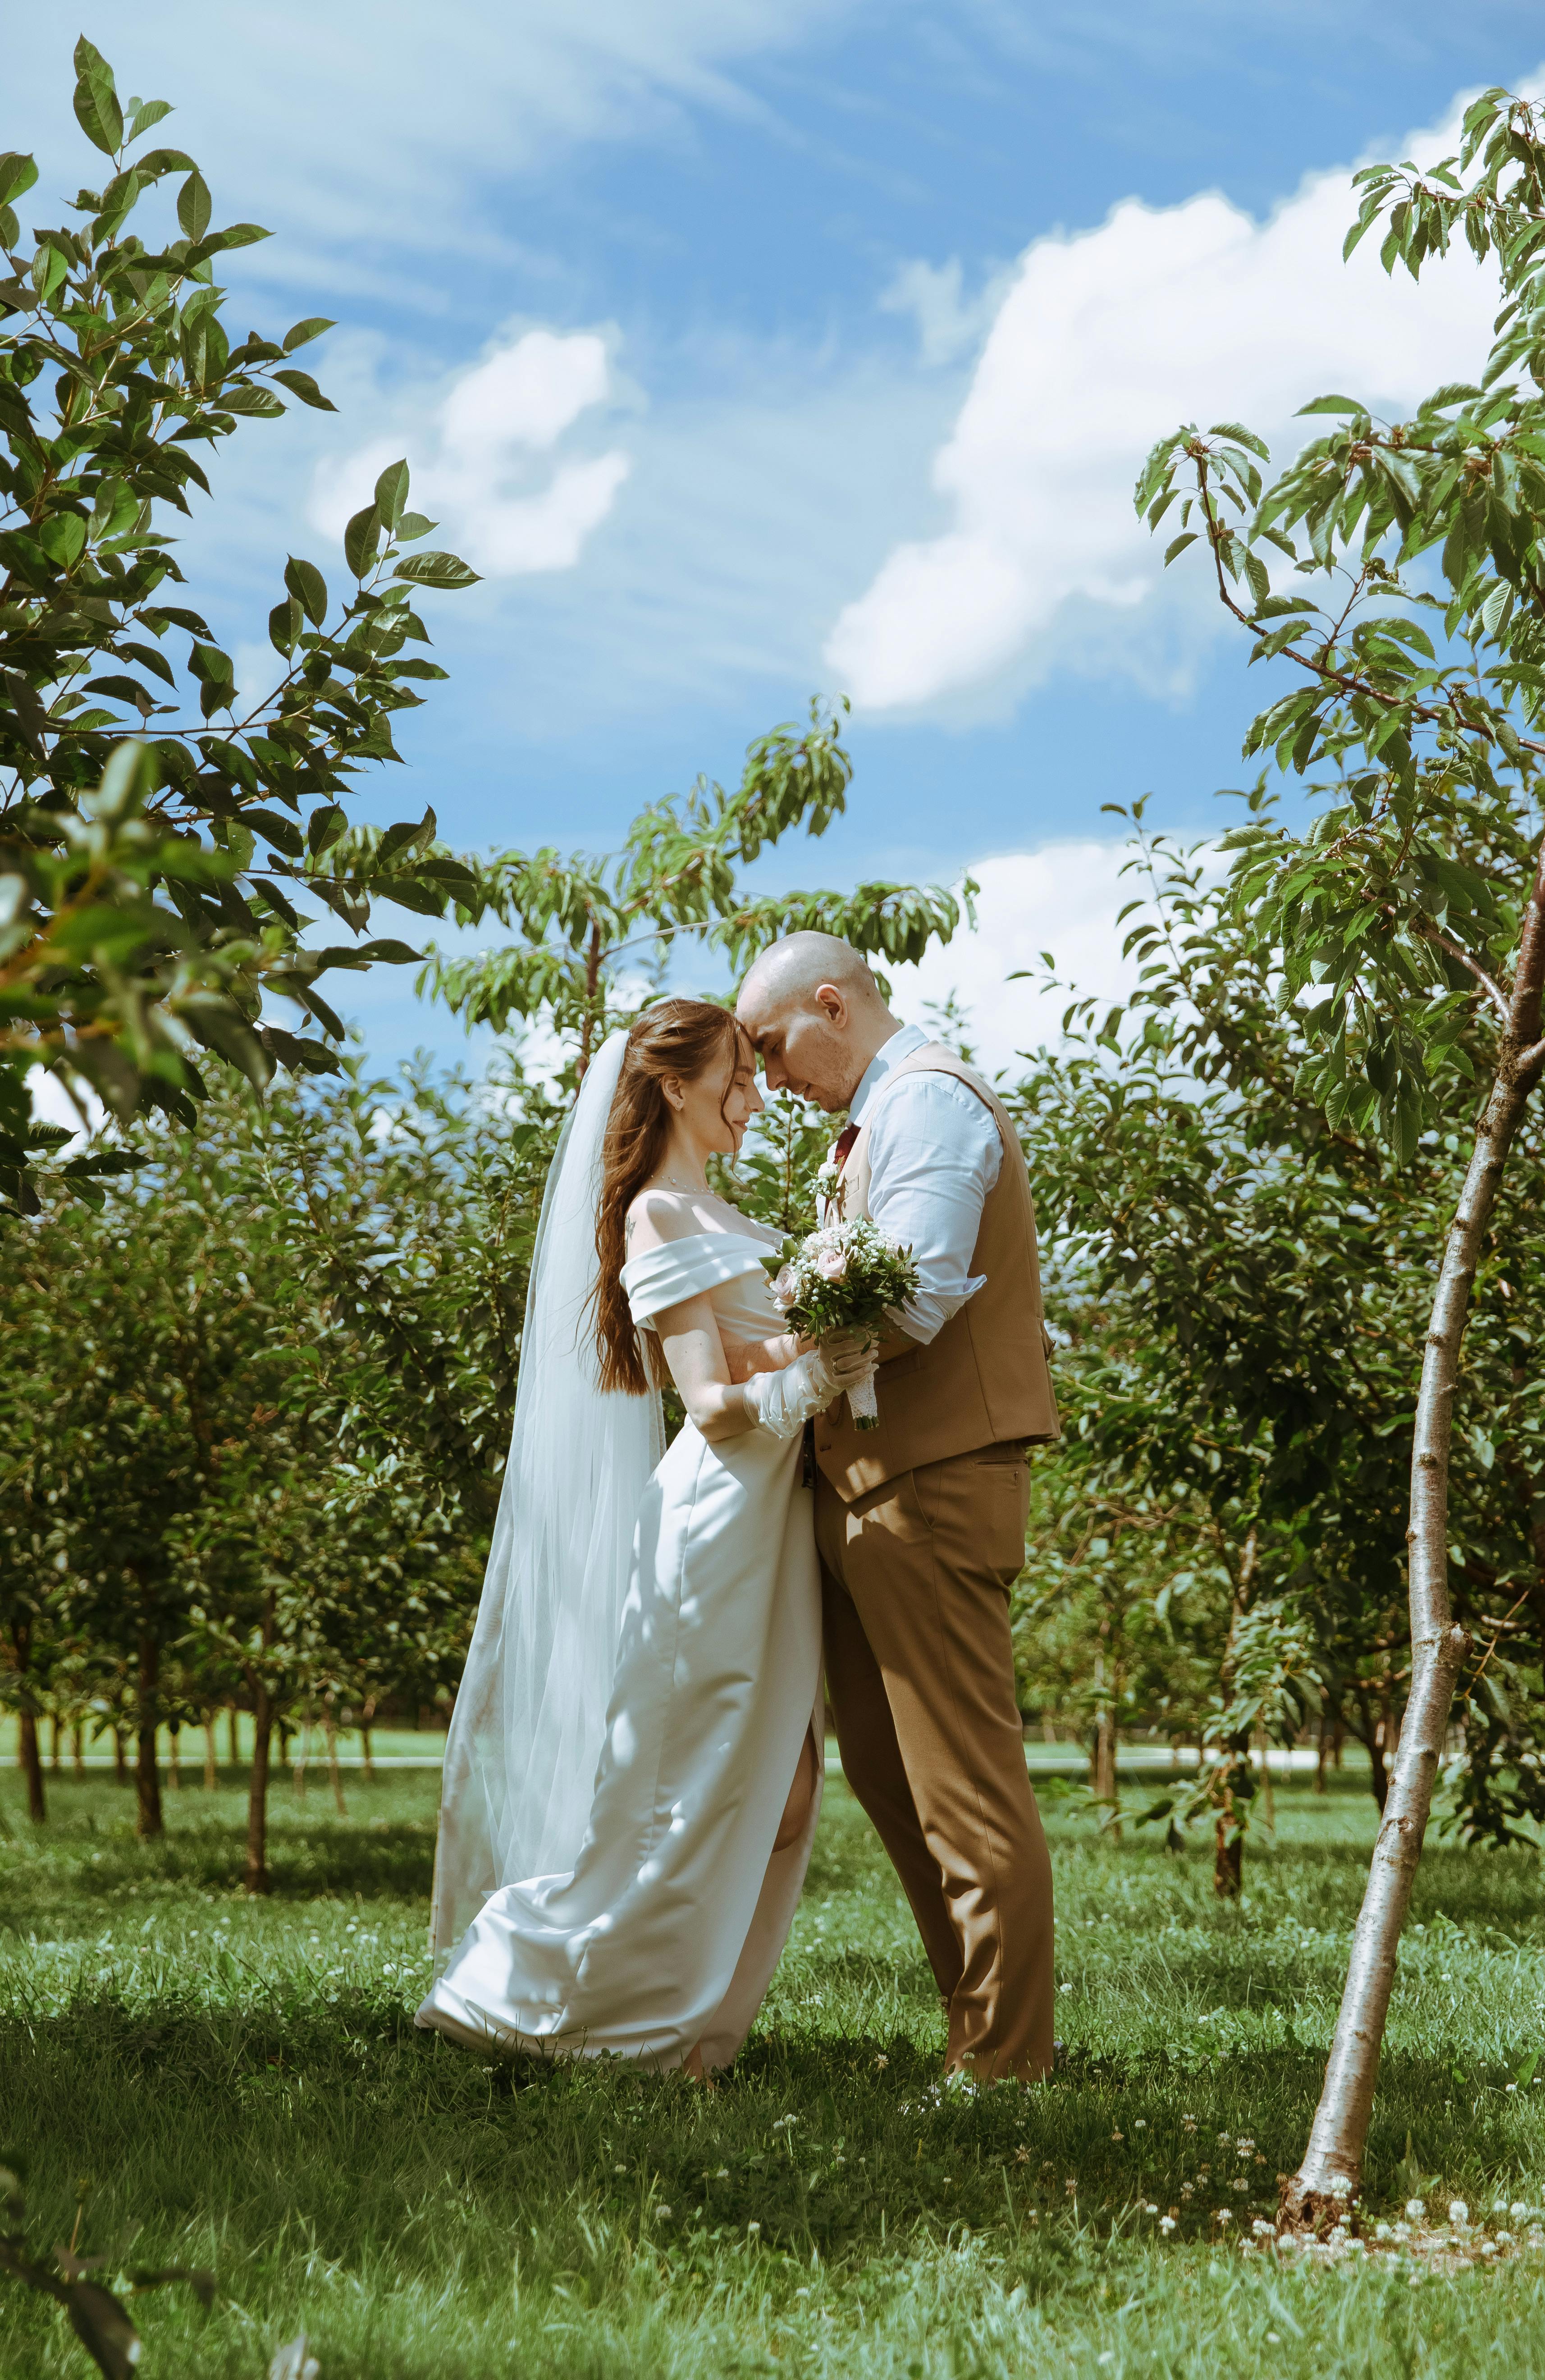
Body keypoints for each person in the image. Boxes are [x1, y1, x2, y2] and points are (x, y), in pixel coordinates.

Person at [418, 998, 873, 2073]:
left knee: (788, 1786)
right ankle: (547, 1998)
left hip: (769, 1520)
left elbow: (749, 1359)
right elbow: (709, 1402)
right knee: (689, 1785)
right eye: (739, 1079)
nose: (757, 1098)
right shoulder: (657, 1217)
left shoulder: (715, 1210)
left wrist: (820, 1330)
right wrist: (819, 1371)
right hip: (717, 1521)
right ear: (675, 1085)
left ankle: (691, 2023)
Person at [736, 933, 1061, 2082]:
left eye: (775, 1047)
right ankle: (973, 2029)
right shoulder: (871, 1123)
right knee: (888, 1775)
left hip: (933, 1482)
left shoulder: (927, 1106)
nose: (770, 1078)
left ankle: (1007, 2065)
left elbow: (916, 1302)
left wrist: (765, 1360)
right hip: (869, 1483)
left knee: (962, 1784)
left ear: (832, 1005)